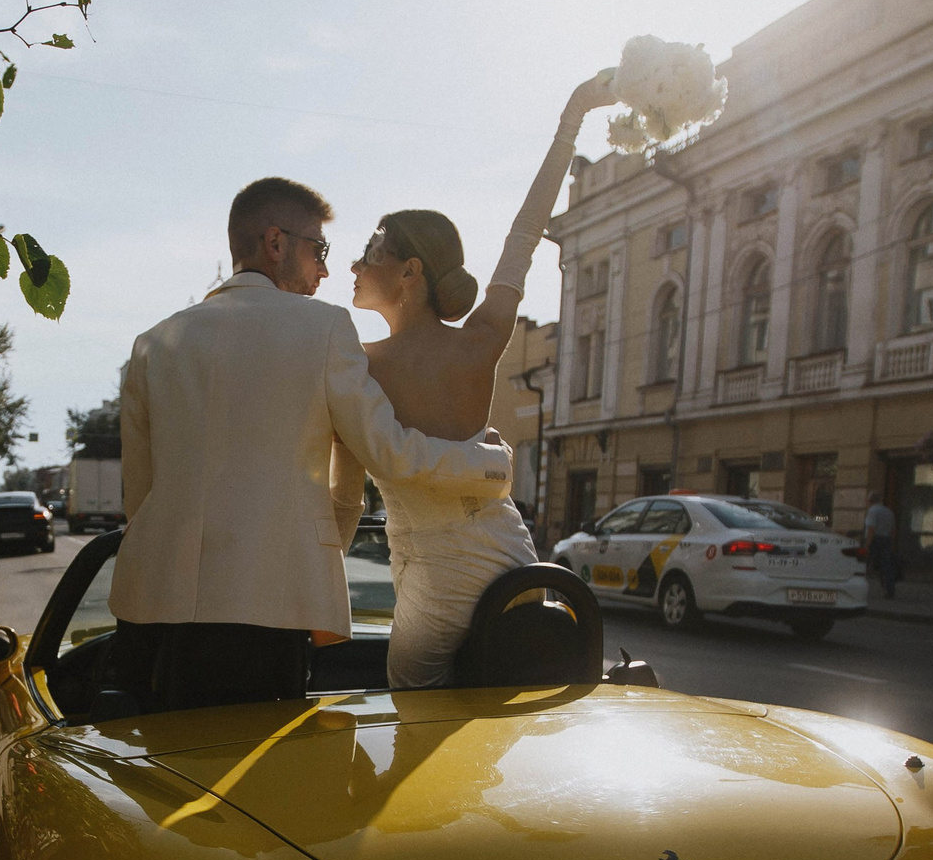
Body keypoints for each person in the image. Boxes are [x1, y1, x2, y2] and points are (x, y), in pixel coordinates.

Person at [110, 178, 514, 713]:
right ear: (275, 243)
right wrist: (488, 465)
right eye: (318, 250)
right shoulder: (324, 329)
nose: (326, 269)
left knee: (156, 780)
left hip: (147, 612)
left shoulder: (153, 343)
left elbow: (138, 496)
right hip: (264, 617)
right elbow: (389, 454)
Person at [328, 76, 608, 688]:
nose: (353, 263)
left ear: (409, 270)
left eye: (369, 249)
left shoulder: (354, 365)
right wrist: (573, 117)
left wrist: (315, 584)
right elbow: (525, 235)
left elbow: (346, 502)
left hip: (434, 572)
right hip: (512, 553)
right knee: (509, 714)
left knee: (417, 718)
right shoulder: (479, 341)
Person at [863, 496, 900, 599]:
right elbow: (893, 530)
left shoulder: (872, 511)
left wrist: (867, 545)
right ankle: (889, 589)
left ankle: (858, 588)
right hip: (886, 540)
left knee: (864, 564)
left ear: (870, 501)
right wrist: (892, 544)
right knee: (887, 566)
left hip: (875, 540)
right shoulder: (889, 512)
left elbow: (871, 529)